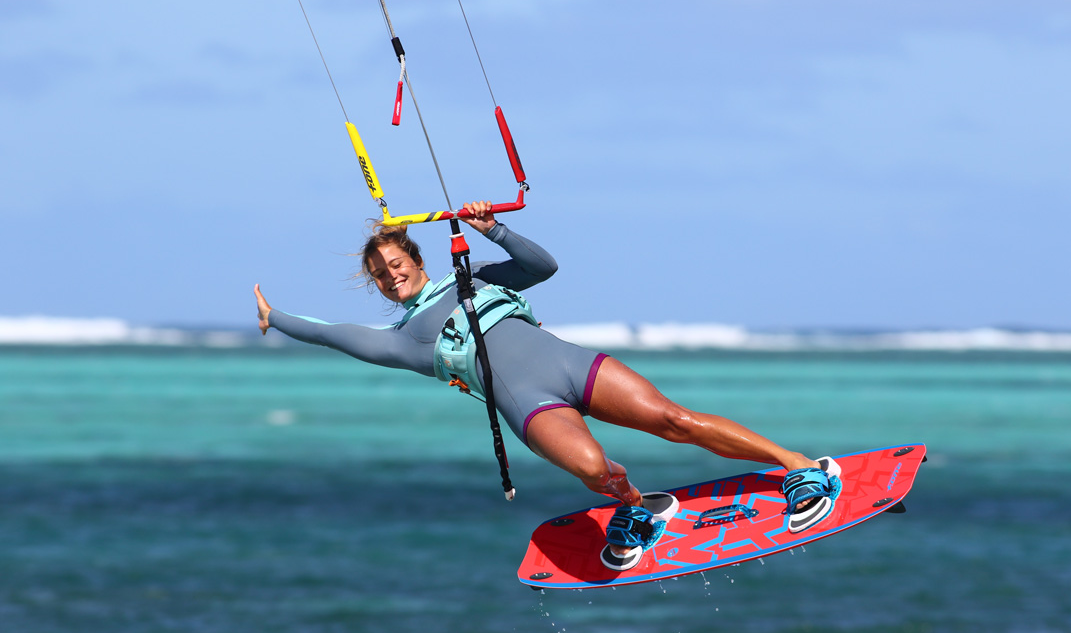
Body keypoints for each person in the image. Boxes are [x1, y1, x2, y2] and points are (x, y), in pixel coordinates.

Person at [254, 201, 842, 571]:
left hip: (571, 366)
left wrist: (494, 231)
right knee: (594, 470)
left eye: (395, 262)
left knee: (676, 422)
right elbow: (331, 333)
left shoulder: (473, 276)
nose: (391, 276)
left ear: (414, 255)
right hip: (531, 407)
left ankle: (800, 468)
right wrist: (274, 318)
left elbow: (543, 268)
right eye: (380, 274)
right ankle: (639, 511)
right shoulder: (402, 340)